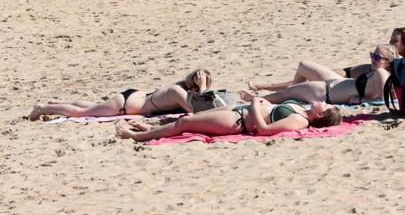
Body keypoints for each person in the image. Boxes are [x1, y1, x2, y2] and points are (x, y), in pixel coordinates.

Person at [248, 27, 405, 92]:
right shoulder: (384, 57)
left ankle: (266, 88)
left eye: (394, 41)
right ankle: (268, 87)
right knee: (307, 75)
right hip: (349, 75)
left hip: (348, 84)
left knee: (305, 74)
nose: (390, 43)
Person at [116, 96, 343, 141]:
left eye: (326, 105)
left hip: (239, 122)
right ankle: (150, 127)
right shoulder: (300, 108)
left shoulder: (299, 121)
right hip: (240, 109)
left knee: (185, 124)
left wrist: (255, 105)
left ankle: (138, 136)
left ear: (320, 114)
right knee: (191, 117)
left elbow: (263, 131)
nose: (323, 101)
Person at [242, 45, 399, 105]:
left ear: (388, 62)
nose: (372, 59)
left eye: (377, 58)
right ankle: (272, 94)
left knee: (288, 93)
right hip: (337, 83)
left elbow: (385, 99)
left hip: (327, 92)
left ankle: (256, 100)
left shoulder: (380, 73)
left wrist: (360, 100)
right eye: (372, 55)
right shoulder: (377, 71)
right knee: (303, 65)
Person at [29, 69, 212, 121]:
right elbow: (198, 110)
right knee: (82, 113)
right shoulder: (178, 92)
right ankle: (44, 108)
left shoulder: (178, 88)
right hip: (128, 105)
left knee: (93, 106)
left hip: (135, 97)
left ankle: (59, 102)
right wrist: (203, 87)